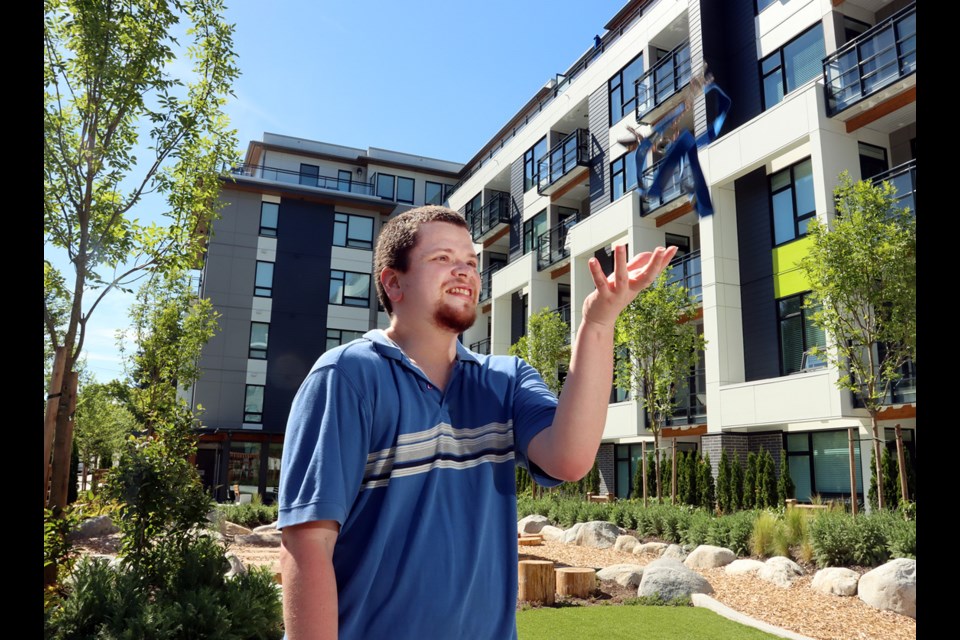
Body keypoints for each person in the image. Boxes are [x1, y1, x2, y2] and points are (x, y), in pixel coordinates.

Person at [278, 205, 677, 639]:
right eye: (443, 259)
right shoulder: (347, 377)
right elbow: (308, 542)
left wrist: (598, 323)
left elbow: (570, 459)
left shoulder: (506, 380)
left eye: (470, 261)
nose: (465, 271)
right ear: (394, 282)